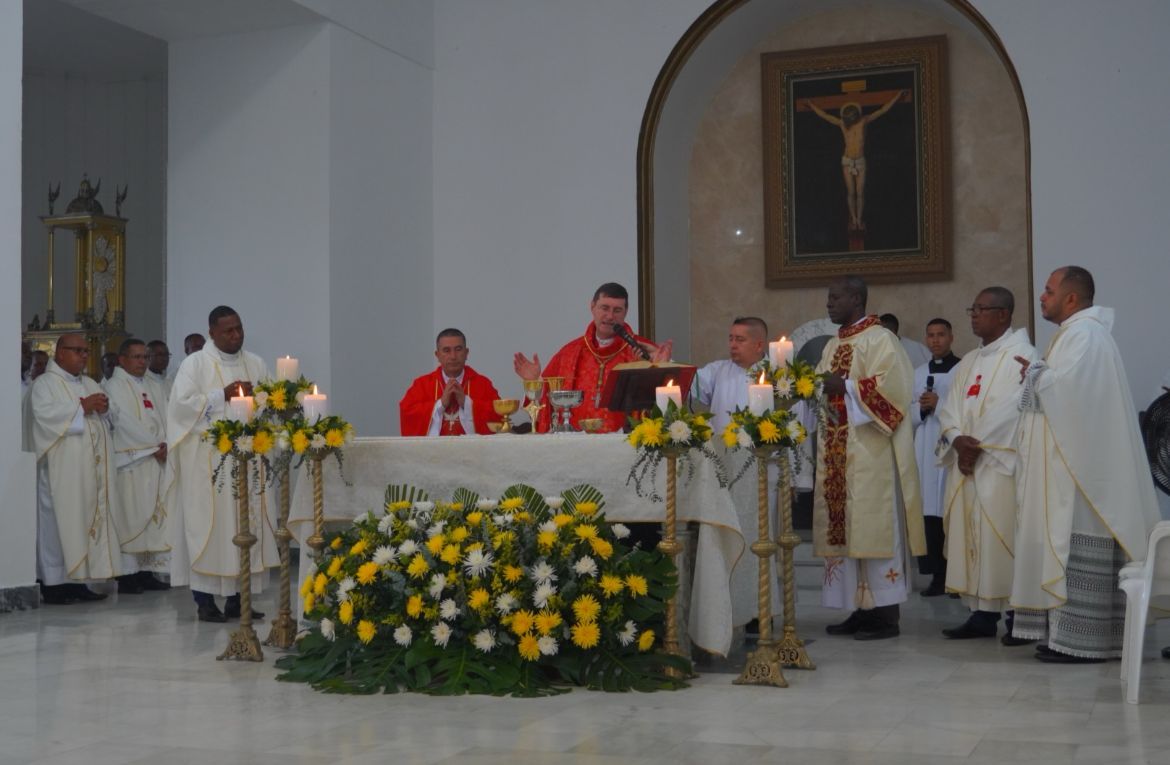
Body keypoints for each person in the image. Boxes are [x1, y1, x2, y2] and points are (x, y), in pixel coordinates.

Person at [1011, 267, 1161, 663]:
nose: (1042, 297)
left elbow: (1070, 392)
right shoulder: (1075, 334)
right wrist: (1041, 375)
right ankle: (1065, 636)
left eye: (1048, 290)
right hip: (1070, 465)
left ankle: (1085, 641)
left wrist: (1037, 375)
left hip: (1080, 474)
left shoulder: (1086, 335)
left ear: (1071, 298)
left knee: (1073, 540)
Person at [813, 276, 925, 640]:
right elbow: (820, 386)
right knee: (846, 533)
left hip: (870, 454)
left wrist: (843, 386)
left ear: (856, 300)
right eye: (828, 297)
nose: (829, 303)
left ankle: (884, 616)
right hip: (837, 453)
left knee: (874, 530)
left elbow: (895, 394)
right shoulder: (833, 345)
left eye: (836, 297)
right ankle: (859, 609)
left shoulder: (881, 340)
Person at [935, 288, 1036, 642]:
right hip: (969, 464)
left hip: (999, 465)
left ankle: (1016, 617)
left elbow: (1015, 408)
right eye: (972, 309)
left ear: (1004, 315)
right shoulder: (969, 363)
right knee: (972, 539)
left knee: (1002, 537)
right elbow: (949, 407)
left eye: (982, 309)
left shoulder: (1023, 356)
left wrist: (975, 447)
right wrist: (958, 439)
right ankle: (981, 613)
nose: (974, 315)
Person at [166, 307, 273, 622]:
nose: (236, 336)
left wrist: (263, 403)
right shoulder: (195, 364)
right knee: (210, 529)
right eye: (228, 331)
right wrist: (220, 396)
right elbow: (180, 408)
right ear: (212, 332)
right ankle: (205, 601)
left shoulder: (255, 363)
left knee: (245, 525)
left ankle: (240, 600)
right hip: (208, 464)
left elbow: (266, 403)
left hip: (248, 461)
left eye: (239, 329)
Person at [692, 316, 780, 633]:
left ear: (759, 344)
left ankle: (762, 611)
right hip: (723, 471)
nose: (732, 344)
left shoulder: (778, 377)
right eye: (730, 338)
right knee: (726, 538)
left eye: (740, 339)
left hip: (761, 472)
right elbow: (688, 384)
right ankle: (726, 608)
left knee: (759, 543)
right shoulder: (717, 371)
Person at [27, 334, 119, 604]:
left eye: (85, 351)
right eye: (77, 350)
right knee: (58, 526)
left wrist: (105, 409)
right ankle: (54, 584)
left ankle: (80, 581)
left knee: (84, 523)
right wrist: (82, 407)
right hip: (59, 472)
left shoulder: (89, 382)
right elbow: (44, 418)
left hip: (89, 472)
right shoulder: (44, 384)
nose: (83, 356)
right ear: (60, 353)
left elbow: (114, 419)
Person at [513, 282, 672, 432]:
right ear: (592, 307)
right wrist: (536, 383)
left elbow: (668, 403)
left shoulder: (643, 350)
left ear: (625, 312)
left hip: (625, 445)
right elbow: (549, 405)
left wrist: (661, 369)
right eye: (604, 308)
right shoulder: (569, 353)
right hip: (576, 446)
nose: (610, 316)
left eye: (617, 310)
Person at [103, 339, 171, 594]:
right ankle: (127, 575)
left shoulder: (154, 384)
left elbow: (166, 416)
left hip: (156, 458)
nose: (143, 362)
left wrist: (167, 443)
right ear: (122, 360)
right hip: (132, 462)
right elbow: (123, 423)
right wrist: (154, 446)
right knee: (130, 517)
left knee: (153, 518)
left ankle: (146, 571)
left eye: (145, 357)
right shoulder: (114, 386)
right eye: (136, 357)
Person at [910, 317, 960, 597]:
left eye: (941, 334)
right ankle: (936, 576)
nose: (935, 340)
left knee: (950, 511)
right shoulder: (918, 373)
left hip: (951, 446)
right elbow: (908, 410)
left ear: (951, 337)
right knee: (929, 512)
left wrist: (940, 406)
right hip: (925, 447)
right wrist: (921, 411)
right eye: (930, 335)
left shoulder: (963, 368)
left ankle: (956, 575)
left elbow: (967, 408)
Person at [807, 90, 905, 230]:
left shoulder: (864, 121)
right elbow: (825, 116)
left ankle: (859, 219)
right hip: (847, 161)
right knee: (851, 192)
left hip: (860, 162)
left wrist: (897, 97)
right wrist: (811, 105)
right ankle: (853, 218)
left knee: (860, 192)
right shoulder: (842, 123)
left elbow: (883, 110)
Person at [399, 328, 502, 436]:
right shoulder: (422, 384)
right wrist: (440, 404)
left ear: (466, 353)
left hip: (471, 452)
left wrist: (466, 403)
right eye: (446, 350)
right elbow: (407, 412)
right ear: (437, 355)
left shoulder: (483, 384)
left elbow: (498, 416)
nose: (453, 356)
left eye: (458, 349)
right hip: (434, 452)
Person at [145, 339, 173, 409]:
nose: (165, 358)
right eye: (160, 355)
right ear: (148, 357)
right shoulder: (143, 382)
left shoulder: (169, 382)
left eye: (166, 354)